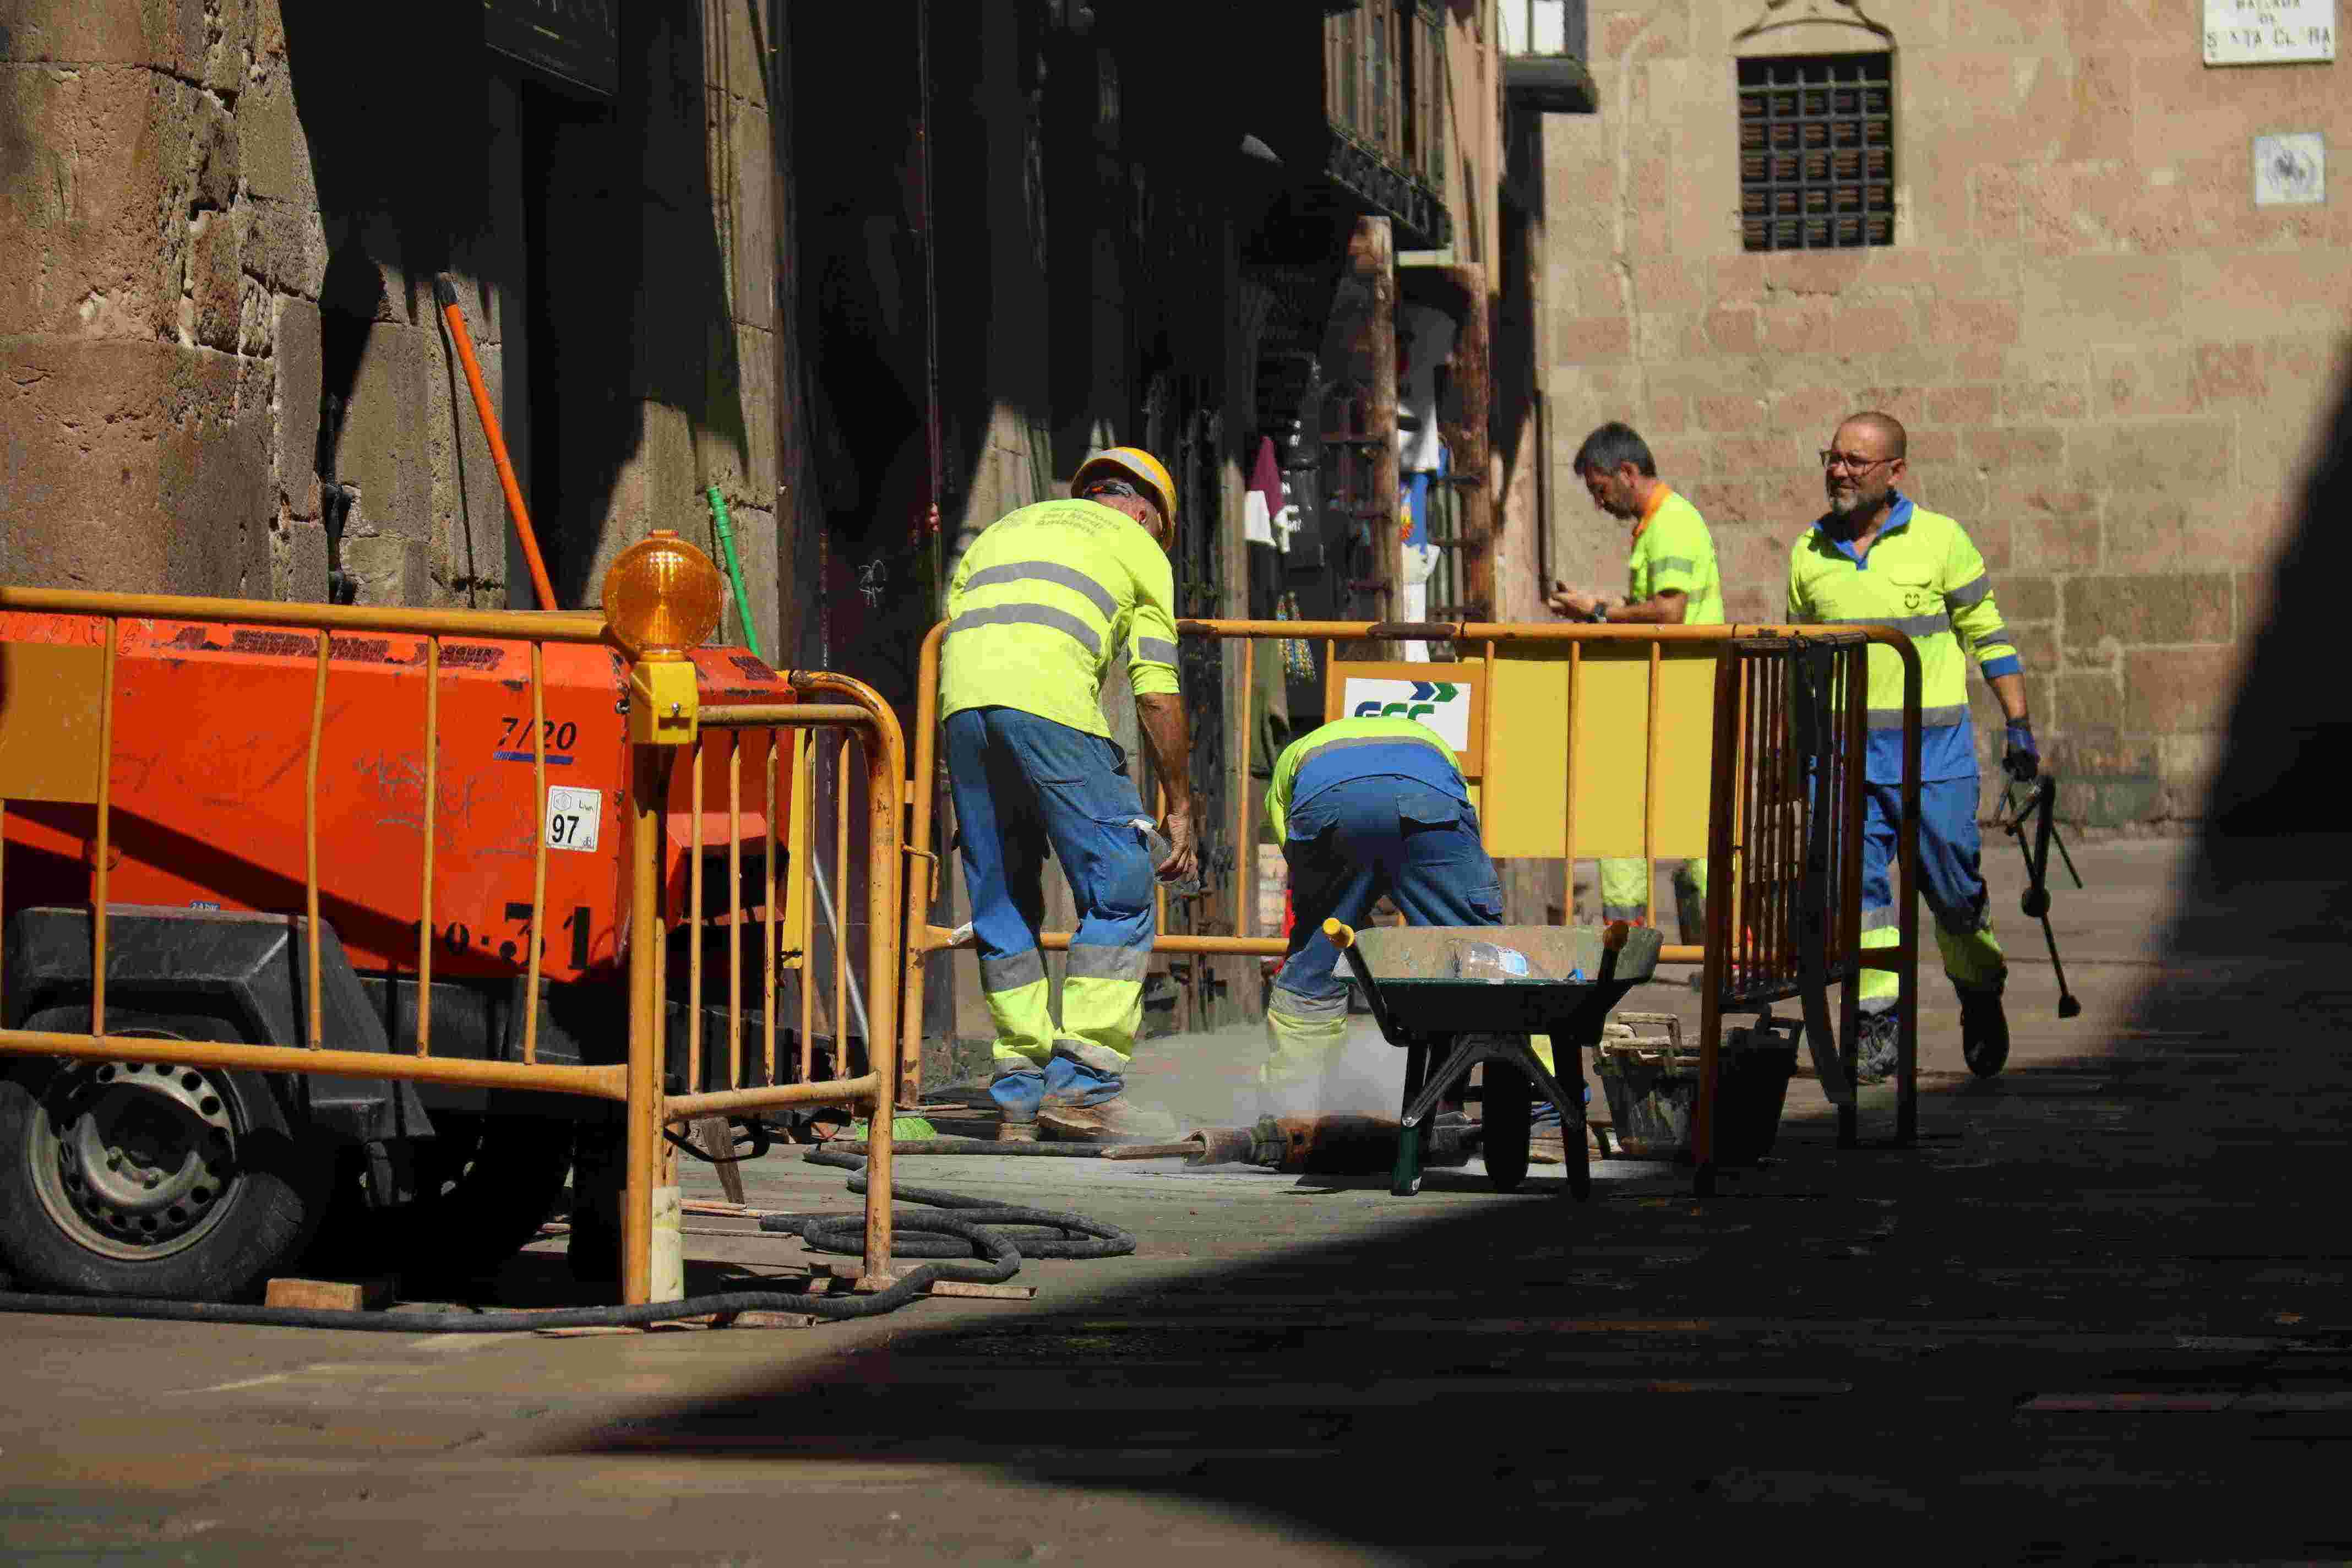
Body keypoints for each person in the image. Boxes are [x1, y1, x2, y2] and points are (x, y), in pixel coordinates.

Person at [940, 448, 1197, 1142]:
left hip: (962, 713)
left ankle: (1019, 1096)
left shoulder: (1006, 527)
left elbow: (964, 632)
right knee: (1122, 883)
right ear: (1145, 514)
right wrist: (1180, 804)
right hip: (1050, 709)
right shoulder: (1137, 546)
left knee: (1002, 900)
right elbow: (1156, 690)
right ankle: (1085, 1087)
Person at [1787, 411, 2035, 1081]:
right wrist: (1799, 752)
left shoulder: (1942, 540)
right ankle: (1877, 1023)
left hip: (1935, 760)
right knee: (1858, 896)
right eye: (1832, 457)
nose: (1838, 471)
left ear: (1895, 471)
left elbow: (1988, 633)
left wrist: (2018, 724)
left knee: (1955, 893)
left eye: (1854, 461)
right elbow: (1800, 661)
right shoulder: (1808, 552)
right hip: (1846, 764)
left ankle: (1979, 990)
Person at [1260, 714, 1502, 1115]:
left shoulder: (1293, 760)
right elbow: (1460, 837)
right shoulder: (1431, 743)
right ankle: (1528, 1101)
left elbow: (1301, 863)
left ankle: (1294, 1109)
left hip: (1325, 802)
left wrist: (1345, 919)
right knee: (1482, 956)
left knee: (1315, 962)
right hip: (1428, 793)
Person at [1547, 421, 1720, 938]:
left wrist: (1598, 612)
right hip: (1666, 691)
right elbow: (1654, 607)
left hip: (1681, 691)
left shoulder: (1671, 524)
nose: (1599, 503)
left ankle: (1717, 941)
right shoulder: (1657, 525)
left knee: (1685, 818)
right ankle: (1639, 937)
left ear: (1627, 472)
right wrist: (1596, 604)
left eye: (1601, 489)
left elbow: (1669, 612)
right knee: (1636, 813)